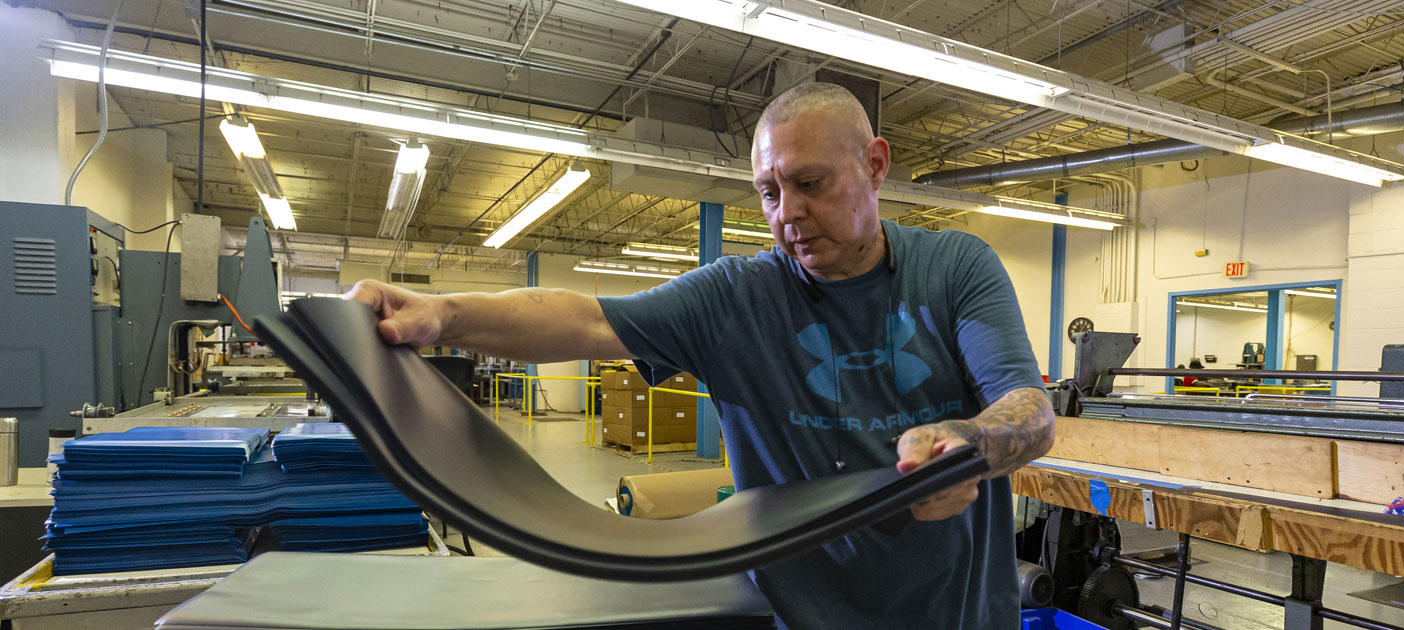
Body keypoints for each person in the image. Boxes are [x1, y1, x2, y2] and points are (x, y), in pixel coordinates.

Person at [346, 83, 1056, 629]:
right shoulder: (735, 299)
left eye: (810, 184)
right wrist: (443, 314)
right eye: (769, 193)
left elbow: (1028, 406)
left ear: (873, 166)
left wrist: (968, 444)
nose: (788, 214)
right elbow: (587, 321)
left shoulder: (955, 267)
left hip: (959, 614)